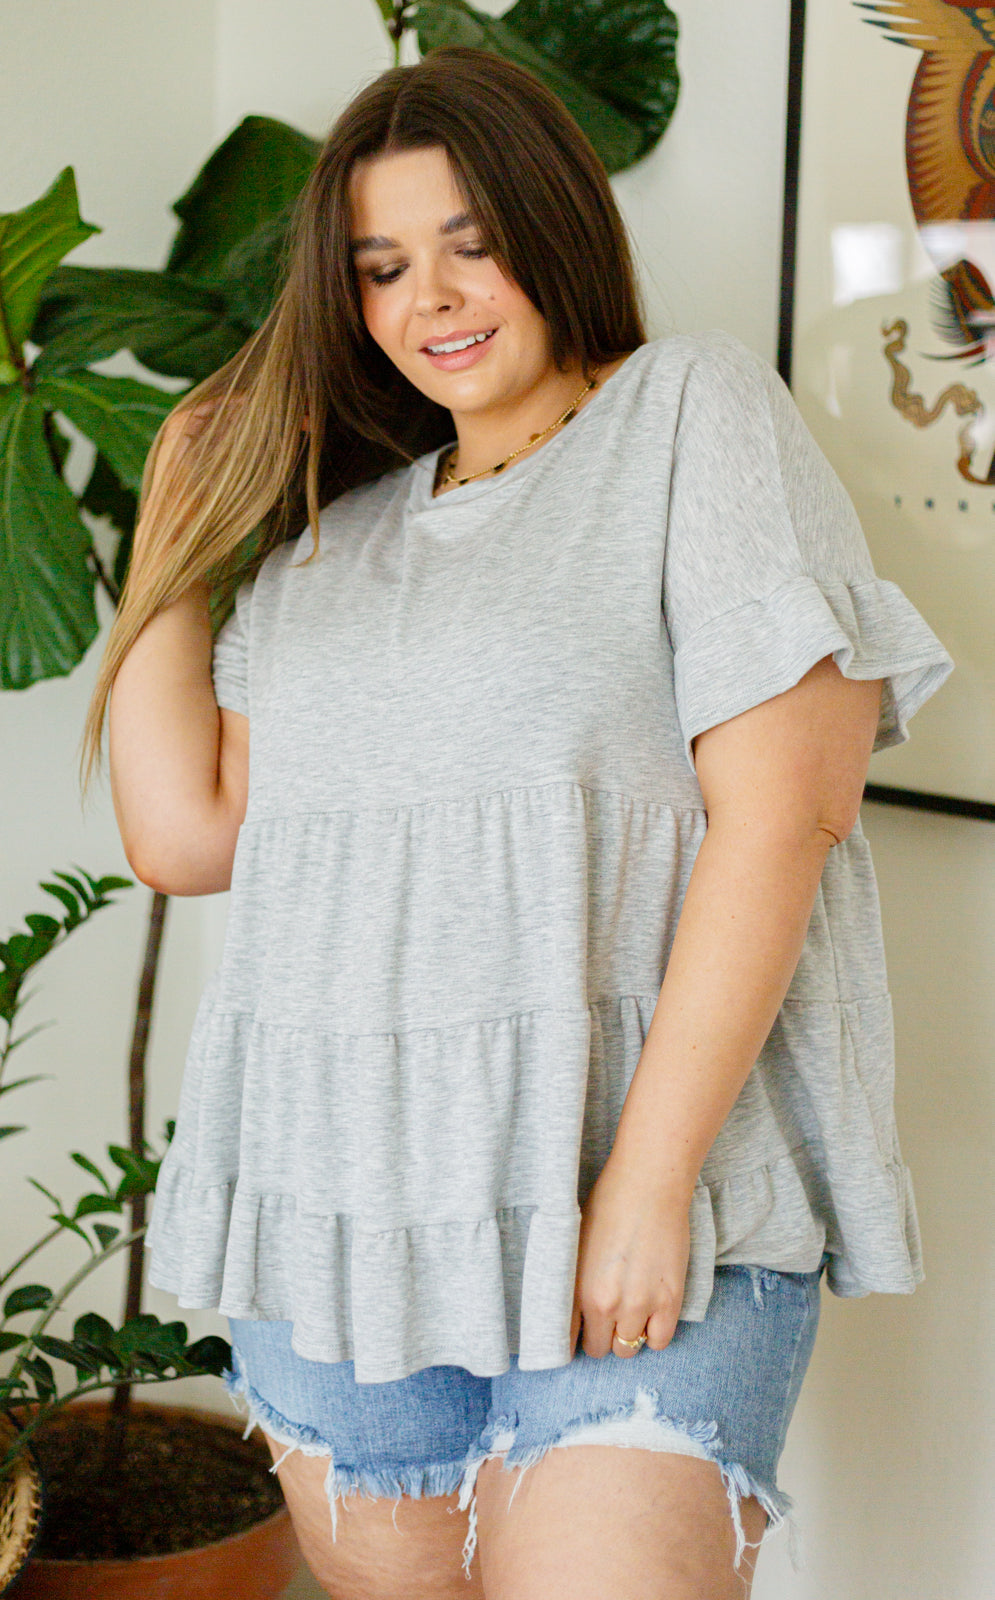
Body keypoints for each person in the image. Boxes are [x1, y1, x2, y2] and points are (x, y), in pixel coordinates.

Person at [86, 46, 952, 1600]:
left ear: (553, 227)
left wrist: (648, 1184)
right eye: (381, 267)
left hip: (639, 1194)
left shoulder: (688, 414)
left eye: (471, 243)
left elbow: (787, 813)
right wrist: (175, 495)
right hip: (341, 1227)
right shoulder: (333, 543)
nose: (431, 297)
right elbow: (187, 834)